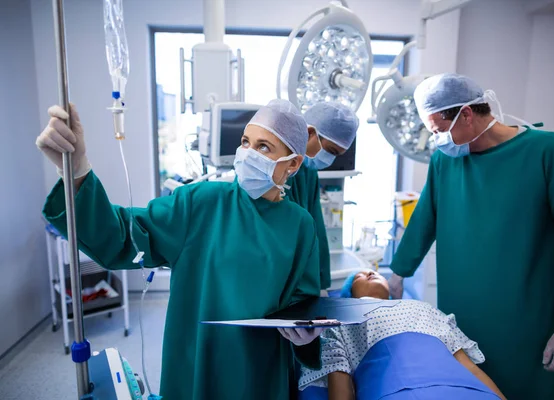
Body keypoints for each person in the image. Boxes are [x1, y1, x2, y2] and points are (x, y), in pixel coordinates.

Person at [36, 99, 323, 399]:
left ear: (293, 163)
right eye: (245, 142)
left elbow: (305, 304)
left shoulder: (300, 226)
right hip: (196, 358)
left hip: (260, 369)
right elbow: (124, 235)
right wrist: (77, 171)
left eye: (264, 147)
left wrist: (306, 339)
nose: (248, 154)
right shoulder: (201, 202)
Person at [388, 73, 554, 399]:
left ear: (467, 115)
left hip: (531, 322)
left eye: (439, 130)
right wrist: (397, 274)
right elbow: (424, 219)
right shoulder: (445, 160)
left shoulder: (550, 153)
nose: (437, 140)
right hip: (465, 321)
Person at [297, 270, 506, 400]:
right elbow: (341, 385)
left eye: (375, 272)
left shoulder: (425, 308)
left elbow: (469, 367)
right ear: (349, 295)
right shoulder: (340, 321)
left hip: (468, 391)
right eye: (358, 276)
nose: (369, 273)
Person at [286, 102, 359, 292]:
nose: (330, 159)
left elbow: (314, 226)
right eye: (331, 151)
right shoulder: (281, 168)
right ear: (311, 133)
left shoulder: (308, 171)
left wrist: (320, 278)